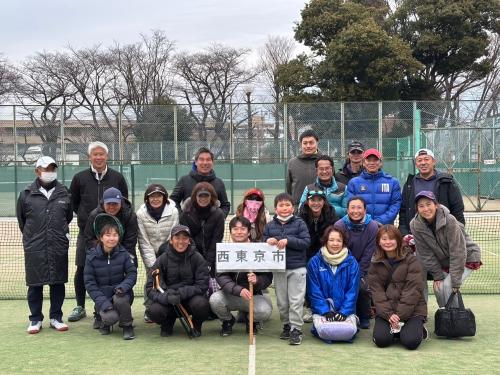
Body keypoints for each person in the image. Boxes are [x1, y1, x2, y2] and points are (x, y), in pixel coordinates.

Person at [68, 141, 129, 322]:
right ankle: (80, 306)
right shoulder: (79, 178)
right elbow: (74, 203)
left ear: (107, 156)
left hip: (113, 235)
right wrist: (86, 219)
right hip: (87, 234)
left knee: (116, 268)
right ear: (90, 157)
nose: (99, 157)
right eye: (95, 154)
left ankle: (116, 303)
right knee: (82, 268)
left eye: (102, 154)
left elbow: (124, 203)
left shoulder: (117, 177)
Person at [16, 156, 73, 334]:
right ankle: (35, 319)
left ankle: (56, 317)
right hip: (35, 247)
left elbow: (68, 217)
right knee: (35, 284)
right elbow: (22, 222)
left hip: (58, 245)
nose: (49, 172)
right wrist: (34, 238)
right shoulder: (26, 194)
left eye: (52, 169)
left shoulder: (64, 192)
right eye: (45, 169)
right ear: (37, 171)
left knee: (58, 283)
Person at [410, 191, 481, 308]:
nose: (426, 209)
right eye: (421, 206)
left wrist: (456, 280)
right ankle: (445, 315)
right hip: (445, 261)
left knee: (448, 286)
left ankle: (456, 317)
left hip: (467, 257)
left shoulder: (450, 220)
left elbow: (458, 252)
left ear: (436, 205)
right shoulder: (415, 225)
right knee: (439, 288)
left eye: (429, 204)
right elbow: (425, 254)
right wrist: (437, 276)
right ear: (417, 209)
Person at [83, 187, 138, 328]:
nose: (112, 207)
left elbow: (131, 240)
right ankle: (100, 313)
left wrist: (118, 253)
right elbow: (88, 238)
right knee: (100, 285)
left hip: (123, 252)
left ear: (121, 203)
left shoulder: (129, 215)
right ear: (103, 203)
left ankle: (123, 313)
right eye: (109, 204)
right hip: (101, 253)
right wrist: (101, 251)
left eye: (115, 204)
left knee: (123, 292)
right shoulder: (94, 215)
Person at [210, 216, 273, 336]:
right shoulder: (224, 250)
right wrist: (239, 290)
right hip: (231, 294)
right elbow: (221, 276)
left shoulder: (259, 249)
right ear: (230, 231)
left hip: (253, 295)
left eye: (243, 229)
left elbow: (268, 277)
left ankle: (251, 321)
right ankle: (228, 321)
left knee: (264, 311)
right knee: (215, 300)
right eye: (235, 229)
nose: (239, 232)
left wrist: (257, 280)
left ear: (249, 232)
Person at [368, 225, 427, 350]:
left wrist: (399, 315)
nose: (387, 242)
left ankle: (416, 329)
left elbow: (413, 290)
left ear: (398, 240)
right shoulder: (374, 263)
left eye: (391, 238)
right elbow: (377, 293)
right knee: (381, 341)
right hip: (387, 312)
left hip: (412, 311)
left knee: (410, 342)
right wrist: (388, 314)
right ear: (379, 241)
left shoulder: (412, 260)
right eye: (384, 239)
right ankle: (397, 331)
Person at [145, 225, 210, 337]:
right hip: (169, 301)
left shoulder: (197, 258)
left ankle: (196, 324)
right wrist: (166, 297)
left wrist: (180, 293)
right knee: (154, 311)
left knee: (202, 305)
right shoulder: (162, 259)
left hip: (190, 300)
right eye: (177, 238)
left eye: (184, 238)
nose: (181, 241)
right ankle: (167, 322)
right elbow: (150, 288)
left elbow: (202, 285)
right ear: (171, 240)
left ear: (189, 241)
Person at [263, 193, 311, 345]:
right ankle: (286, 325)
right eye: (281, 205)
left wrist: (288, 240)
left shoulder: (299, 223)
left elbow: (305, 242)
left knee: (296, 300)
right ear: (275, 208)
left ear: (293, 207)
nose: (284, 208)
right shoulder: (270, 226)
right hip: (278, 269)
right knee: (282, 302)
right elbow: (263, 243)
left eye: (287, 205)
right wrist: (267, 241)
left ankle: (296, 329)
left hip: (297, 268)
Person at [84, 221, 137, 340]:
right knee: (111, 318)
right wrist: (103, 303)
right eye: (108, 235)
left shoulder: (124, 254)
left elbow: (132, 274)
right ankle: (102, 318)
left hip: (121, 294)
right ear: (101, 238)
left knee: (121, 300)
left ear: (118, 237)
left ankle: (127, 326)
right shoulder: (91, 257)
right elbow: (90, 284)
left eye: (115, 235)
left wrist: (123, 287)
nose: (112, 238)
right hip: (103, 296)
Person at [307, 226, 360, 343]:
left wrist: (344, 312)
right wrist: (325, 311)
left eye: (339, 240)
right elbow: (314, 291)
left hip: (345, 311)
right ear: (325, 241)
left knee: (349, 331)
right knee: (325, 330)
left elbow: (353, 291)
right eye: (331, 240)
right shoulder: (314, 262)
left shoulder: (352, 263)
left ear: (344, 243)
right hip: (323, 311)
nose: (335, 243)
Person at [334, 196, 378, 329]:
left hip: (365, 267)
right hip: (344, 265)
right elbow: (340, 250)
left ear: (365, 210)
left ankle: (364, 315)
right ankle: (346, 313)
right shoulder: (339, 225)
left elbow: (369, 253)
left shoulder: (372, 226)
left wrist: (358, 273)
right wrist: (349, 271)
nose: (355, 211)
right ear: (347, 210)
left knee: (362, 287)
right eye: (352, 208)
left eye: (359, 207)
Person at [136, 184, 179, 322]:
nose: (155, 199)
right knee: (151, 278)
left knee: (168, 278)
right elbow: (143, 240)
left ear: (164, 197)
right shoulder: (140, 214)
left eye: (158, 196)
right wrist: (152, 264)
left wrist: (165, 257)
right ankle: (149, 309)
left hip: (168, 251)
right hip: (149, 252)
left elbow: (173, 235)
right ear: (147, 199)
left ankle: (168, 308)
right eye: (152, 196)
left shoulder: (174, 212)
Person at [399, 148, 465, 235]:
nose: (423, 163)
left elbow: (457, 209)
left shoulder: (447, 181)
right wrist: (404, 233)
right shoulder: (409, 184)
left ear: (434, 162)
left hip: (443, 233)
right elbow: (403, 210)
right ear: (416, 164)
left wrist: (458, 231)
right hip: (417, 234)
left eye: (426, 159)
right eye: (419, 160)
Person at [298, 188, 337, 323]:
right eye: (312, 200)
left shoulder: (330, 213)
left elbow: (332, 234)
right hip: (307, 253)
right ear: (307, 202)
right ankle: (310, 306)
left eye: (319, 200)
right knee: (309, 275)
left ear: (324, 201)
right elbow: (303, 239)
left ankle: (330, 305)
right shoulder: (301, 215)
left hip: (326, 251)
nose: (316, 203)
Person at [179, 182, 225, 278]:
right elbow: (188, 239)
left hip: (212, 258)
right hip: (190, 257)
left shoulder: (219, 214)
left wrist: (208, 262)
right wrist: (198, 260)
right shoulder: (185, 214)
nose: (203, 199)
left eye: (206, 196)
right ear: (195, 196)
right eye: (200, 196)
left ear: (211, 197)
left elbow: (216, 240)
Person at [346, 148, 401, 225]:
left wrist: (380, 221)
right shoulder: (354, 183)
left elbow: (395, 205)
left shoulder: (392, 182)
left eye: (375, 160)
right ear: (363, 163)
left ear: (381, 163)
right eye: (368, 160)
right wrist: (366, 222)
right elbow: (350, 205)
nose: (372, 163)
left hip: (384, 227)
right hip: (361, 227)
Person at [170, 147, 230, 217]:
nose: (205, 163)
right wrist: (182, 217)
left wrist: (219, 218)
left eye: (208, 160)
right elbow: (173, 201)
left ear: (212, 162)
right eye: (201, 159)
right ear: (195, 162)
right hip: (189, 227)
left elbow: (225, 205)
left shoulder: (219, 183)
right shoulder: (184, 180)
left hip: (211, 227)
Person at [286, 129, 321, 206]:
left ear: (317, 143)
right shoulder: (292, 163)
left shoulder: (325, 161)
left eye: (311, 143)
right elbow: (288, 188)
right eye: (305, 143)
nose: (308, 146)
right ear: (301, 144)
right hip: (298, 208)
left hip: (320, 207)